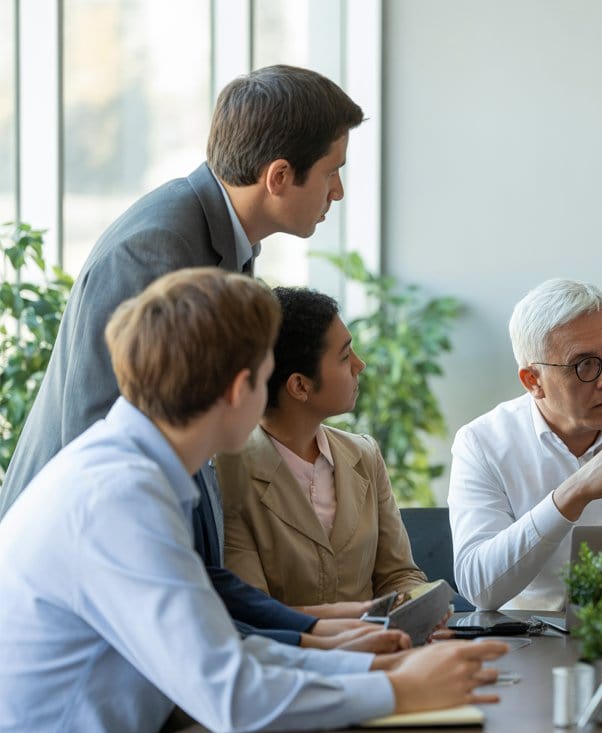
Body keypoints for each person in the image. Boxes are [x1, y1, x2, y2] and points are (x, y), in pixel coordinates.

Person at [0, 268, 508, 733]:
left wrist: (369, 670)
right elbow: (231, 693)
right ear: (241, 387)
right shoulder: (120, 498)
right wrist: (399, 691)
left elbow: (220, 648)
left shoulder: (135, 472)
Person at [0, 65, 376, 649]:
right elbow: (110, 442)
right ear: (279, 176)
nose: (338, 192)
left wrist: (313, 630)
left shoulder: (221, 240)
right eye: (332, 172)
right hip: (78, 588)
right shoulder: (159, 249)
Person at [449, 279, 602, 611]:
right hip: (525, 643)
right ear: (533, 381)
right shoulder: (481, 443)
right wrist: (572, 493)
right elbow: (478, 588)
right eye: (584, 365)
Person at [217, 287, 429, 608]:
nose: (360, 365)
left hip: (382, 649)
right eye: (345, 357)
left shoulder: (364, 455)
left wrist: (416, 607)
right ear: (300, 385)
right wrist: (366, 618)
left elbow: (399, 575)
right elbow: (255, 612)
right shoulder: (229, 472)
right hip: (292, 656)